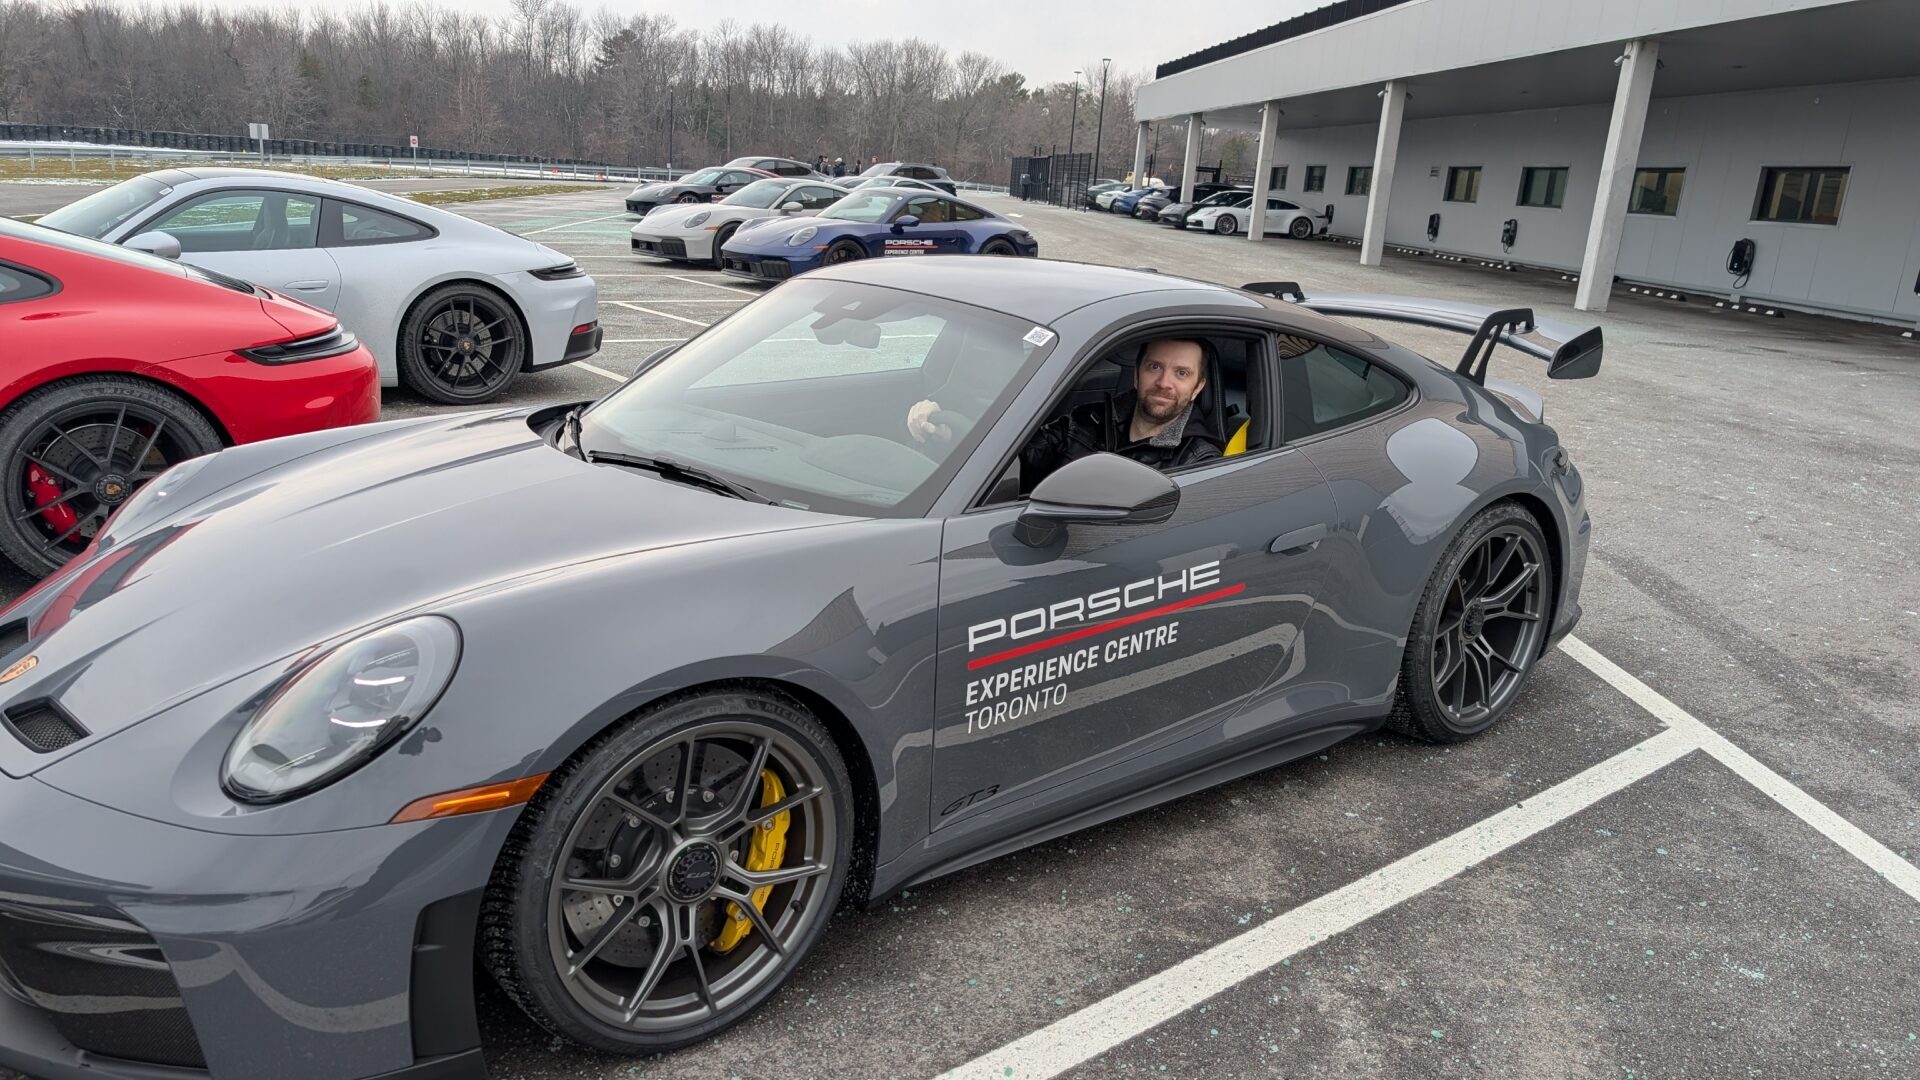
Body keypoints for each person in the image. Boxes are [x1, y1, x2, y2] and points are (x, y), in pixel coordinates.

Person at [907, 338, 1221, 485]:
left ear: (1197, 387)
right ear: (1137, 374)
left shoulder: (1197, 461)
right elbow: (1019, 457)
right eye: (1155, 367)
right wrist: (953, 428)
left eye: (1181, 373)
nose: (1164, 382)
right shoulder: (1088, 419)